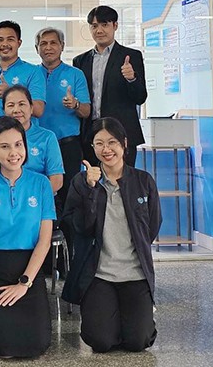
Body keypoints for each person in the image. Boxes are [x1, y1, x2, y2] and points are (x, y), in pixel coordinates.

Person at [62, 117, 161, 353]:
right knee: (100, 341)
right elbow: (79, 228)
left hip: (135, 273)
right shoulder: (82, 182)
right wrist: (91, 190)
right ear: (93, 147)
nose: (106, 149)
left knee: (138, 341)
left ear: (124, 144)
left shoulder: (143, 181)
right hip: (99, 274)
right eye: (99, 143)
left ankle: (133, 318)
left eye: (112, 142)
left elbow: (152, 225)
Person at [0, 116, 54, 359]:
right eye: (5, 146)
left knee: (37, 344)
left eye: (18, 144)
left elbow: (44, 241)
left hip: (28, 269)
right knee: (4, 348)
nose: (13, 152)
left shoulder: (41, 184)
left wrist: (24, 283)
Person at [36, 26, 92, 253]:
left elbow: (87, 111)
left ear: (62, 46)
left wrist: (75, 104)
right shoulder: (32, 74)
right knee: (40, 197)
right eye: (43, 43)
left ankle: (68, 256)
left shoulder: (75, 74)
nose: (48, 47)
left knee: (69, 199)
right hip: (37, 145)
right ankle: (41, 255)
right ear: (37, 48)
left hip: (67, 145)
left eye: (53, 43)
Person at [73, 6, 148, 167]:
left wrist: (132, 79)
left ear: (115, 25)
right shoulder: (80, 61)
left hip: (122, 133)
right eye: (94, 26)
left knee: (124, 180)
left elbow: (140, 97)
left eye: (104, 24)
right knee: (94, 180)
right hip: (91, 135)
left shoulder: (131, 56)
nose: (99, 30)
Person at [0, 20, 46, 125]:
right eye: (0, 40)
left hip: (24, 134)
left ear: (19, 43)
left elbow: (38, 110)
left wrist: (10, 92)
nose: (5, 44)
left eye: (10, 39)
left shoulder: (33, 71)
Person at [2, 85, 64, 194]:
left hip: (38, 197)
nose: (16, 110)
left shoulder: (47, 137)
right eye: (11, 105)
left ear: (31, 108)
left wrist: (29, 199)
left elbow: (56, 181)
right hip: (4, 197)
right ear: (4, 110)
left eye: (21, 104)